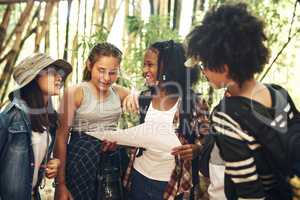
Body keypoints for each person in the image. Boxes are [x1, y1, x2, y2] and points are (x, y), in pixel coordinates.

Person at [185, 3, 299, 200]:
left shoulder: (226, 117)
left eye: (204, 65)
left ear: (223, 67)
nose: (203, 72)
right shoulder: (279, 93)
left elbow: (249, 191)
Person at [88, 40, 210, 200]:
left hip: (173, 184)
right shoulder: (144, 98)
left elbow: (207, 140)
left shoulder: (193, 102)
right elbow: (135, 136)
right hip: (138, 178)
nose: (144, 70)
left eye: (149, 64)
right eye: (144, 65)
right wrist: (116, 143)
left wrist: (196, 149)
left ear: (167, 66)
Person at [54, 42, 136, 200]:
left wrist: (134, 95)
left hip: (112, 160)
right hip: (82, 159)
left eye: (112, 73)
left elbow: (142, 98)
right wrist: (61, 184)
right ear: (89, 65)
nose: (106, 78)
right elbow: (61, 138)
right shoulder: (76, 92)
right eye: (101, 70)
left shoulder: (118, 92)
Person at [0, 53, 72, 200]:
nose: (60, 78)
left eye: (60, 74)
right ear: (34, 78)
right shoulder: (12, 116)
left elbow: (31, 157)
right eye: (52, 73)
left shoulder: (49, 120)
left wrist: (52, 161)